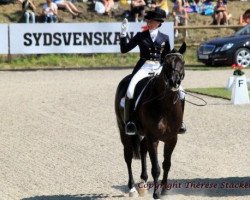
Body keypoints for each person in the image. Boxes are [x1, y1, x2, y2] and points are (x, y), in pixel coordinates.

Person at [120, 9, 186, 135]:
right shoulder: (140, 36)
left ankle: (180, 122)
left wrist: (177, 53)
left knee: (182, 92)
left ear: (158, 22)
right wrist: (123, 34)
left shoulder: (165, 38)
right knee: (130, 90)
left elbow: (168, 56)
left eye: (151, 21)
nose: (149, 23)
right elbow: (124, 49)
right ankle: (130, 122)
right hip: (144, 67)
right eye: (148, 20)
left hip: (159, 68)